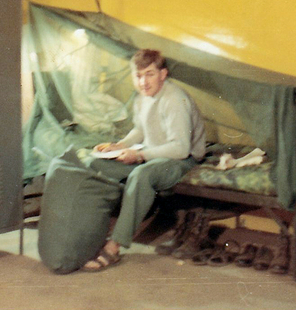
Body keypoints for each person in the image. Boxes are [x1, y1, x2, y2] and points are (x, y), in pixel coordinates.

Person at [82, 49, 206, 271]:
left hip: (182, 160)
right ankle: (94, 232)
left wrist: (140, 155)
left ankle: (113, 247)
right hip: (155, 154)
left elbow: (180, 148)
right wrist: (121, 145)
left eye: (149, 74)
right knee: (95, 164)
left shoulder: (174, 99)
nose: (143, 82)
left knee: (141, 174)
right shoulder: (141, 98)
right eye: (138, 76)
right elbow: (140, 130)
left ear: (163, 74)